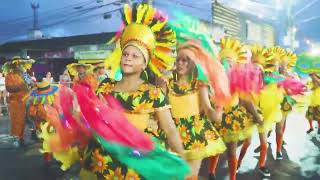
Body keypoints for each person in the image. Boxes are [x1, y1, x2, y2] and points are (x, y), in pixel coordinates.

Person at [164, 40, 227, 180]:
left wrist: (218, 111)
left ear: (192, 63)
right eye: (178, 60)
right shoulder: (167, 83)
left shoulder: (199, 85)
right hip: (172, 133)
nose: (180, 63)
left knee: (190, 176)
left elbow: (208, 109)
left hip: (195, 133)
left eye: (185, 60)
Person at [208, 38, 262, 180]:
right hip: (216, 116)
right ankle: (211, 173)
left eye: (230, 62)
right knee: (215, 149)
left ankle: (232, 177)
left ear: (235, 64)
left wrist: (256, 115)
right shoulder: (213, 79)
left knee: (231, 152)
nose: (227, 64)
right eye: (224, 61)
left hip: (232, 119)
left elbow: (245, 100)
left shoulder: (238, 80)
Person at [26, 80, 60, 166]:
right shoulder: (35, 101)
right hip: (45, 124)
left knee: (49, 140)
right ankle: (50, 157)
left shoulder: (35, 101)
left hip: (50, 123)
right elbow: (31, 113)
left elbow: (31, 114)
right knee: (48, 140)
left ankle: (50, 157)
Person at [2, 56, 35, 147]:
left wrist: (32, 85)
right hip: (16, 102)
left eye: (20, 64)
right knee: (17, 120)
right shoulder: (9, 75)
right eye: (17, 64)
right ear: (13, 65)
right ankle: (19, 139)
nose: (19, 66)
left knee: (30, 117)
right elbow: (9, 88)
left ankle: (33, 134)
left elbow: (32, 84)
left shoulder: (24, 74)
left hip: (27, 99)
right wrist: (20, 86)